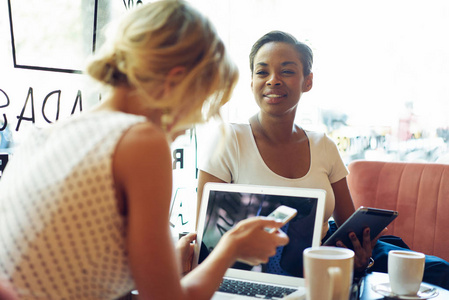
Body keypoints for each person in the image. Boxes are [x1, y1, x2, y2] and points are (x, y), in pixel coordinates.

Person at [0, 2, 289, 300]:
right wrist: (232, 248)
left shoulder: (47, 136)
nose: (187, 127)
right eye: (199, 102)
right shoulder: (141, 139)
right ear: (175, 81)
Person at [197, 30, 449, 288]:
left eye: (286, 71)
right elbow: (204, 239)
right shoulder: (228, 140)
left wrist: (361, 258)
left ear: (308, 81)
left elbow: (348, 229)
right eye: (262, 72)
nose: (273, 80)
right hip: (249, 275)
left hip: (322, 273)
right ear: (251, 82)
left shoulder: (324, 145)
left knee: (440, 272)